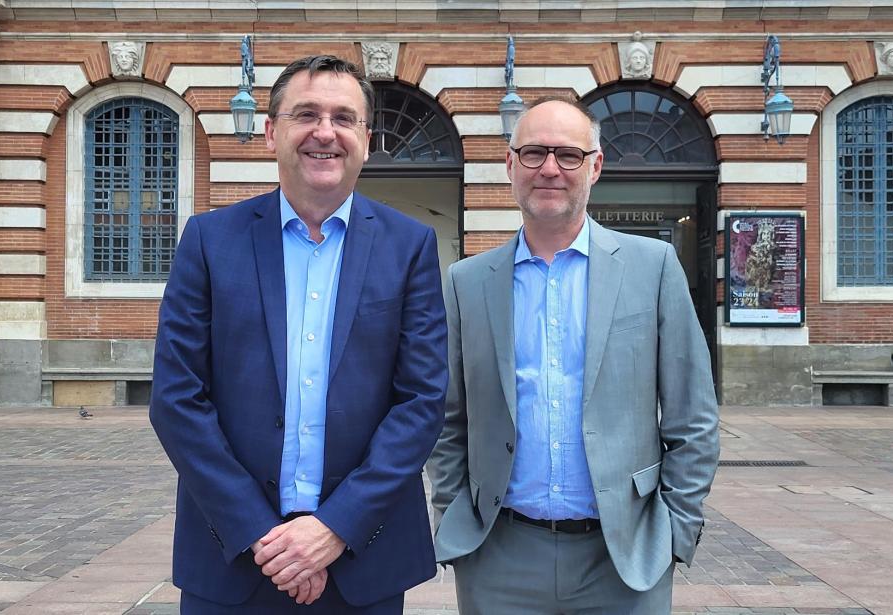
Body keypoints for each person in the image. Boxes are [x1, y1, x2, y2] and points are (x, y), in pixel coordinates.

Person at [150, 55, 448, 614]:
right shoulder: (210, 240)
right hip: (233, 555)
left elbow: (422, 402)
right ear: (271, 132)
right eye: (305, 114)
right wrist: (266, 538)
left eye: (344, 117)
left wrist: (334, 528)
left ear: (365, 137)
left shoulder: (410, 247)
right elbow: (176, 398)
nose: (324, 132)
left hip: (364, 558)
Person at [427, 97, 719, 614]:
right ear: (510, 164)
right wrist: (453, 515)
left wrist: (676, 529)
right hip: (499, 558)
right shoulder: (467, 282)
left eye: (568, 155)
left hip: (624, 558)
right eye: (534, 153)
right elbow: (449, 420)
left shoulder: (652, 268)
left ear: (596, 166)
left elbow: (692, 417)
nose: (550, 169)